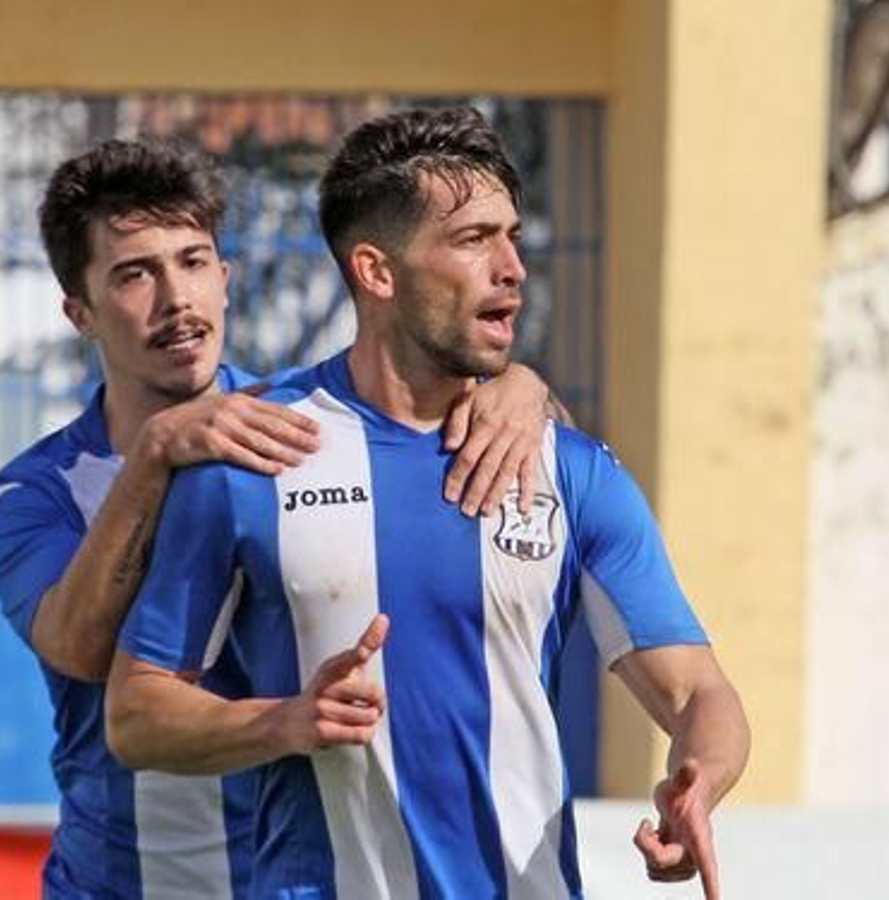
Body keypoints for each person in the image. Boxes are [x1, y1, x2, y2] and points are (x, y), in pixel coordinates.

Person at [106, 107, 752, 900]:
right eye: (475, 239)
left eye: (512, 235)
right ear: (377, 273)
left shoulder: (567, 469)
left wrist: (699, 779)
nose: (513, 265)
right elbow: (135, 715)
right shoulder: (253, 458)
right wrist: (282, 722)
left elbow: (698, 691)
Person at [0, 138, 558, 899]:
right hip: (119, 883)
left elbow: (440, 416)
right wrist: (154, 457)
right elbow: (77, 648)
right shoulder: (29, 493)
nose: (176, 298)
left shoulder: (310, 428)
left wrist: (521, 384)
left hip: (294, 880)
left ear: (226, 278)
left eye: (192, 261)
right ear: (80, 311)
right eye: (134, 274)